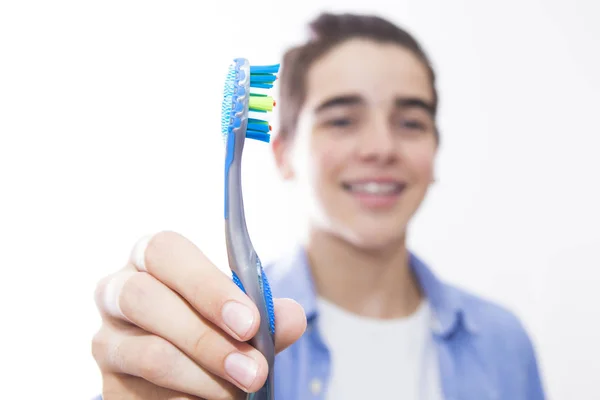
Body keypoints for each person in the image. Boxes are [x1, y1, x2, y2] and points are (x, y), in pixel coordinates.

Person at [91, 12, 546, 400]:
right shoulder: (220, 334)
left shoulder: (503, 342)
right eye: (342, 119)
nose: (381, 147)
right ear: (283, 152)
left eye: (410, 121)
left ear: (435, 152)